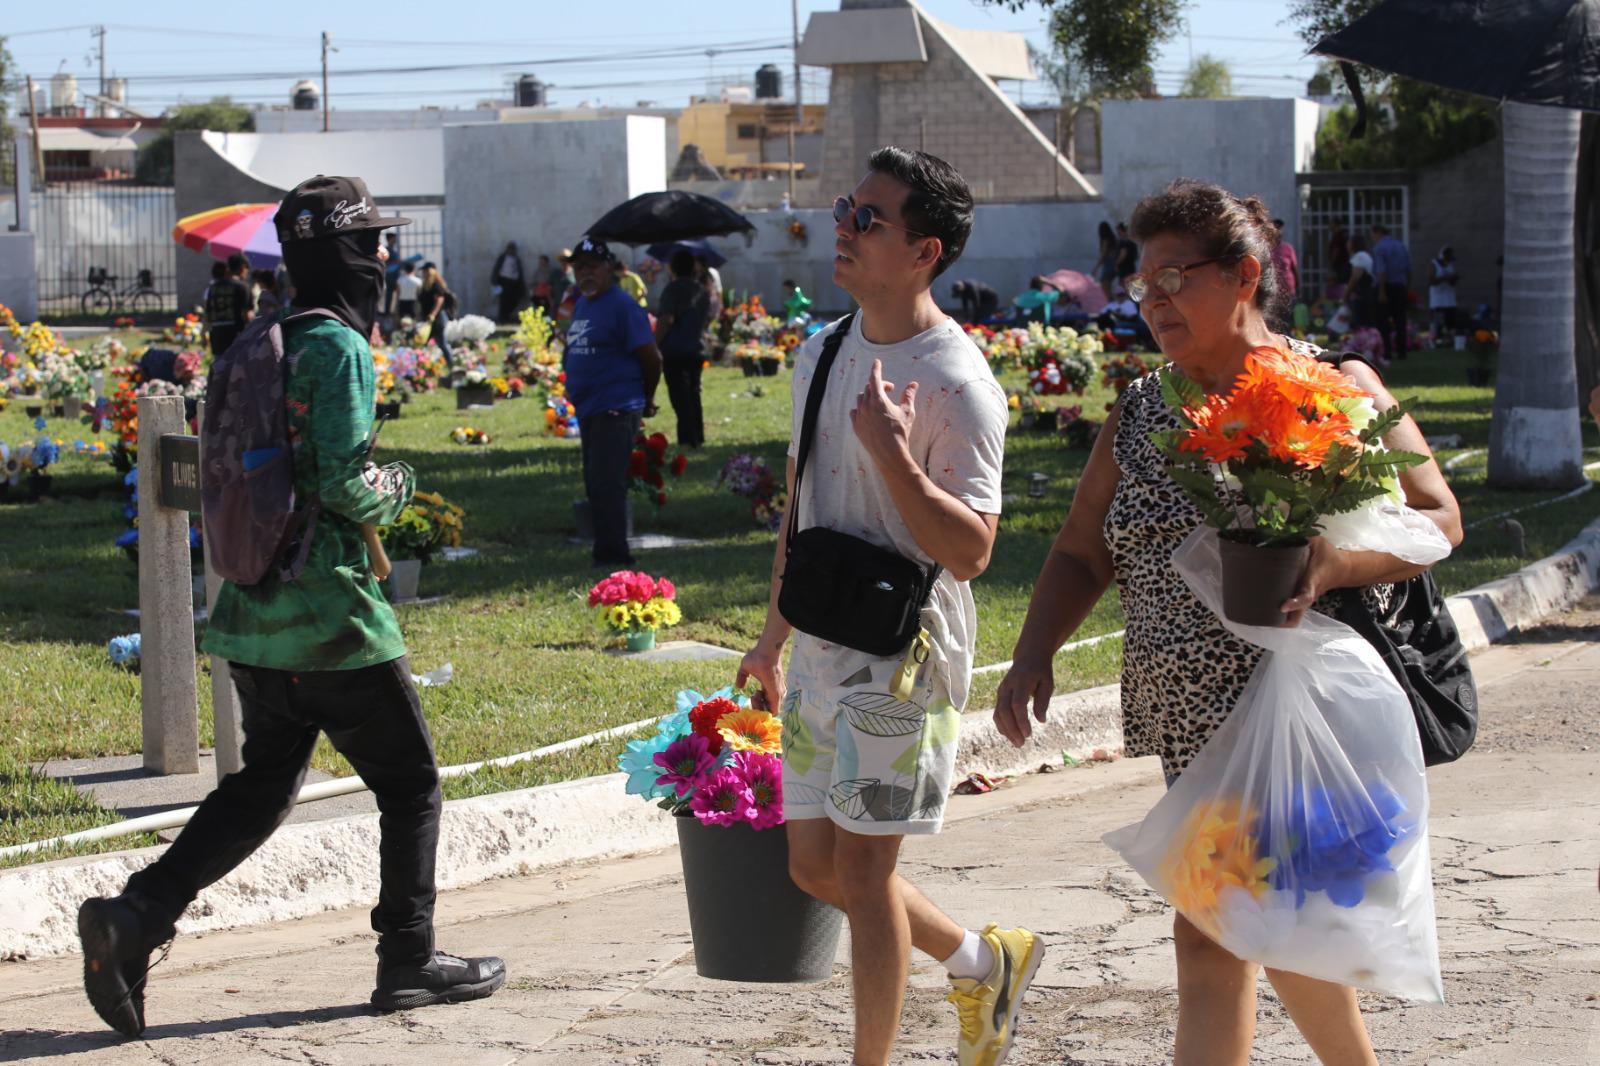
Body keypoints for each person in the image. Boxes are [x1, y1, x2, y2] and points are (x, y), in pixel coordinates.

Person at [992, 178, 1462, 1066]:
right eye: (1145, 282)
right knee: (1256, 927)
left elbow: (1440, 518)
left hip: (1296, 707)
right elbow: (1081, 551)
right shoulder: (1140, 413)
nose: (1155, 299)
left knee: (1230, 929)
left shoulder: (1335, 387)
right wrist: (1033, 654)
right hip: (1194, 721)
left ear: (1245, 275)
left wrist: (1337, 564)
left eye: (1176, 277)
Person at [75, 175, 506, 1040]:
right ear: (347, 254)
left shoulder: (254, 339)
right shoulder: (339, 350)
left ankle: (138, 915)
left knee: (259, 788)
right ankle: (408, 960)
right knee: (412, 784)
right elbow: (349, 484)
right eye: (375, 243)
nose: (386, 257)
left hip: (250, 617)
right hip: (333, 623)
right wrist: (401, 482)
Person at [736, 146, 1037, 1066]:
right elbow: (803, 502)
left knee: (866, 878)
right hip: (824, 643)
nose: (844, 229)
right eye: (845, 209)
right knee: (813, 867)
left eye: (869, 219)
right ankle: (983, 959)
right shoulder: (821, 353)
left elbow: (972, 552)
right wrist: (769, 636)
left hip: (902, 664)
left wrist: (898, 458)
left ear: (924, 251)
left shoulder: (958, 383)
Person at [564, 236, 662, 567]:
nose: (585, 274)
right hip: (590, 408)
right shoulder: (584, 304)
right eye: (579, 269)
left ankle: (614, 555)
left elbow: (651, 358)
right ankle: (605, 547)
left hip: (616, 406)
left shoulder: (623, 306)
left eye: (592, 267)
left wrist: (645, 399)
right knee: (595, 481)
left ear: (609, 268)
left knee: (607, 481)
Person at [654, 249, 711, 447]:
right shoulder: (701, 290)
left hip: (674, 351)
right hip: (696, 348)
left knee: (680, 397)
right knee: (693, 394)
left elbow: (667, 319)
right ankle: (698, 435)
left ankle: (688, 438)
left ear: (673, 267)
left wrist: (655, 343)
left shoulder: (673, 289)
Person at [1371, 223, 1412, 362]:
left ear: (1378, 233)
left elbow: (1381, 271)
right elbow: (1408, 269)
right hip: (1400, 286)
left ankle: (1387, 351)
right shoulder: (1401, 246)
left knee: (1383, 321)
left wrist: (1382, 291)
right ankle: (1402, 351)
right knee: (1400, 320)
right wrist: (1406, 287)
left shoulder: (1379, 248)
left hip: (1386, 287)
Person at [205, 254, 253, 356]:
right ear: (242, 267)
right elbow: (246, 314)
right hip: (236, 335)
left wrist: (203, 334)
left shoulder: (213, 287)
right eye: (247, 268)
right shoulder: (243, 287)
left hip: (217, 334)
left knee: (220, 367)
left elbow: (208, 315)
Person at [418, 262, 457, 367]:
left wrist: (433, 314)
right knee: (422, 342)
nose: (423, 273)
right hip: (428, 318)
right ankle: (422, 365)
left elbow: (439, 300)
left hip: (437, 318)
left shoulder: (436, 286)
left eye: (425, 271)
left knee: (442, 343)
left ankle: (452, 364)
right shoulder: (425, 286)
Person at [1428, 245, 1460, 343]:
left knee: (1450, 321)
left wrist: (1454, 278)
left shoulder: (1450, 265)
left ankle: (1449, 339)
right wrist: (1445, 277)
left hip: (1450, 299)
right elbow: (1431, 281)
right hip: (1438, 299)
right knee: (1438, 321)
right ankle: (1436, 338)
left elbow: (1452, 283)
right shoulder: (1433, 264)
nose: (1449, 261)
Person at [1347, 235, 1377, 333]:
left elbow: (1355, 277)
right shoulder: (1364, 255)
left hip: (1363, 294)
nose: (1347, 245)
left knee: (1361, 322)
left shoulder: (1359, 256)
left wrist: (1347, 293)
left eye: (1349, 242)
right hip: (1366, 293)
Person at [491, 241, 525, 324]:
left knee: (514, 300)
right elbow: (496, 269)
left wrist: (520, 283)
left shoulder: (516, 259)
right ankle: (502, 318)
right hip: (504, 281)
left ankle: (508, 316)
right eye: (510, 249)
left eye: (513, 249)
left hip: (514, 282)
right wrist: (494, 281)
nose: (511, 251)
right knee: (504, 301)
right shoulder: (502, 257)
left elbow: (519, 271)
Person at [1271, 218, 1300, 309]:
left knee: (1290, 317)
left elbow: (1295, 269)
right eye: (1275, 228)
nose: (1278, 231)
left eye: (1279, 229)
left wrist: (1298, 287)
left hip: (1289, 291)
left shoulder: (1288, 248)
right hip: (1273, 291)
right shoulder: (1267, 249)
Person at [1094, 220, 1118, 297]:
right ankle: (1111, 303)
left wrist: (1096, 268)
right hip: (1113, 264)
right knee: (1107, 287)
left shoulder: (1105, 240)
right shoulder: (1113, 239)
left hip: (1108, 264)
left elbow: (1104, 254)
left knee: (1105, 287)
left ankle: (1111, 304)